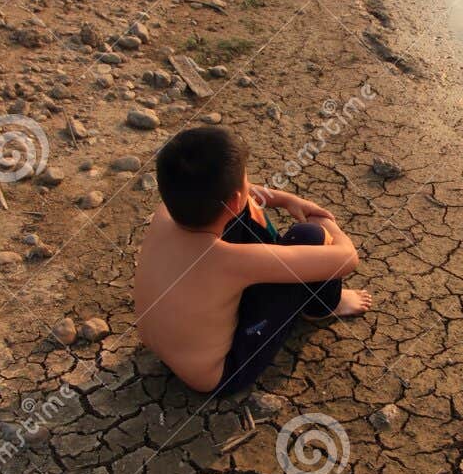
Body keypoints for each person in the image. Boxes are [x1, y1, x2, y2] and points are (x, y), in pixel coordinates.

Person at [134, 127, 372, 393]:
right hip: (222, 373)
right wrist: (329, 226)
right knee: (311, 235)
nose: (249, 188)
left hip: (166, 347)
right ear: (236, 197)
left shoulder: (166, 211)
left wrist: (285, 200)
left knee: (237, 208)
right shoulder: (232, 262)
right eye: (247, 181)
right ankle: (325, 306)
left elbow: (239, 198)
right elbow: (347, 259)